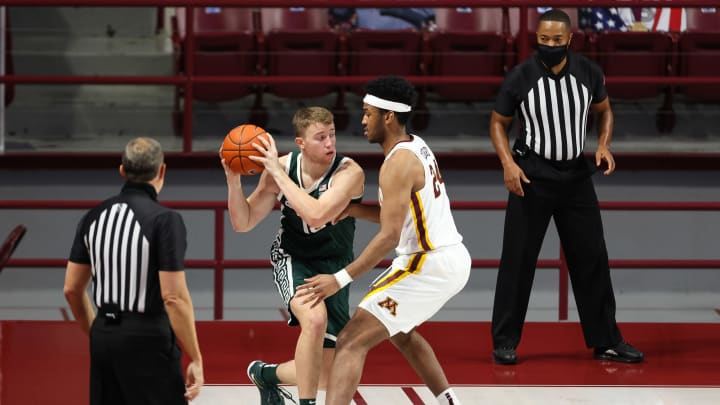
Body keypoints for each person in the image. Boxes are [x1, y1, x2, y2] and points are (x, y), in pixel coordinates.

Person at [297, 76, 470, 405]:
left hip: (426, 262)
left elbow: (390, 235)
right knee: (401, 333)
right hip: (446, 258)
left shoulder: (398, 163)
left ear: (388, 116)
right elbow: (398, 213)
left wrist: (340, 278)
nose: (362, 120)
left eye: (368, 112)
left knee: (350, 341)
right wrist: (352, 210)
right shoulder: (415, 145)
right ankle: (449, 401)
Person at [489, 9, 644, 365]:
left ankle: (606, 339)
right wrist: (508, 164)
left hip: (575, 176)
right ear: (537, 38)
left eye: (557, 40)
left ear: (569, 40)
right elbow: (498, 123)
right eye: (544, 39)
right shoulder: (520, 76)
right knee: (518, 260)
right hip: (531, 175)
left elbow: (605, 110)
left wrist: (603, 144)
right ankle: (504, 341)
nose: (550, 45)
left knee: (592, 258)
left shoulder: (588, 71)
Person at [221, 107, 365, 405]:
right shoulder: (285, 168)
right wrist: (234, 182)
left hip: (334, 265)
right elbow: (243, 222)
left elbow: (317, 216)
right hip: (294, 257)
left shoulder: (349, 173)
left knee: (325, 375)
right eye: (320, 137)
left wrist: (275, 172)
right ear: (301, 143)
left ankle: (266, 375)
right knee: (314, 319)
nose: (330, 144)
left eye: (332, 135)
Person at [63, 137, 204, 404]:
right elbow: (173, 297)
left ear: (122, 171)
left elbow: (71, 289)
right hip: (148, 338)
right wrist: (195, 357)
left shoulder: (93, 216)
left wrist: (98, 330)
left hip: (104, 334)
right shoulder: (165, 220)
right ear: (162, 171)